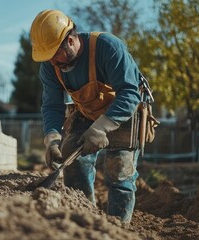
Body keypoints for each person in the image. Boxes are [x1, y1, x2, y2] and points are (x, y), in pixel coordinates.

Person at [30, 9, 144, 223]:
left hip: (122, 113)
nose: (54, 62)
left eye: (56, 54)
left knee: (119, 173)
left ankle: (118, 229)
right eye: (49, 57)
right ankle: (85, 221)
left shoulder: (107, 47)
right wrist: (52, 139)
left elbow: (130, 93)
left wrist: (101, 128)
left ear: (70, 40)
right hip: (86, 113)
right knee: (71, 156)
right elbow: (52, 105)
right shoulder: (50, 66)